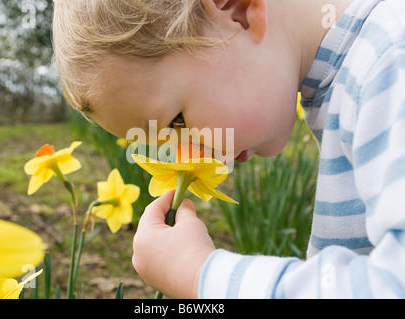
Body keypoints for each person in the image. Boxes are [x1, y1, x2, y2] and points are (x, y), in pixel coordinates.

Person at [52, 0, 405, 298]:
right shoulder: (351, 78)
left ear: (237, 10)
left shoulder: (390, 58)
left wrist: (200, 274)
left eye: (177, 122)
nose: (183, 156)